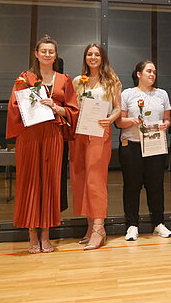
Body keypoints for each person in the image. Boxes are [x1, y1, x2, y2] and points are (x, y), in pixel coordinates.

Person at [6, 35, 79, 253]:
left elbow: (72, 109)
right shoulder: (24, 78)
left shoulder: (64, 79)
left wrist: (57, 108)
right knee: (29, 182)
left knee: (50, 183)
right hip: (29, 136)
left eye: (51, 51)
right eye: (43, 51)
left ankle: (46, 235)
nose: (47, 54)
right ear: (36, 54)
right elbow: (14, 105)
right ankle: (31, 235)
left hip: (53, 135)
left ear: (56, 55)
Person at [70, 43, 121, 250]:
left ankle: (100, 228)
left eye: (97, 54)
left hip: (100, 133)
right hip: (80, 134)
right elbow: (73, 108)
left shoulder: (111, 81)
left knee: (96, 179)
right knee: (81, 179)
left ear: (102, 58)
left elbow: (118, 108)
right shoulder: (77, 81)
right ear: (85, 58)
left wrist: (110, 119)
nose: (93, 57)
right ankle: (90, 226)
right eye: (89, 54)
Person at [116, 61, 171, 241]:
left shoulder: (162, 94)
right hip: (132, 145)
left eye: (154, 72)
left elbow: (167, 120)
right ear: (138, 74)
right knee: (132, 187)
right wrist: (132, 121)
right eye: (148, 71)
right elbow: (119, 122)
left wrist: (165, 125)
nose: (152, 75)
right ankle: (132, 225)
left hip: (155, 145)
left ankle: (158, 223)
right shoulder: (127, 94)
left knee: (156, 186)